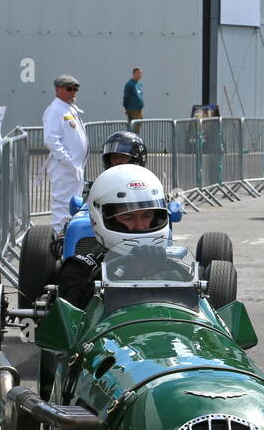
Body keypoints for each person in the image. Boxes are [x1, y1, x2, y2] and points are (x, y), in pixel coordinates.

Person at [55, 163, 171, 307]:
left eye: (147, 215)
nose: (141, 226)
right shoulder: (80, 269)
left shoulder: (173, 265)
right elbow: (73, 318)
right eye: (129, 218)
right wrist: (128, 272)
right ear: (99, 218)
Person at [42, 74, 88, 235]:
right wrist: (67, 161)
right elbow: (51, 139)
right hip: (64, 167)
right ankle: (58, 238)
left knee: (73, 204)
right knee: (62, 205)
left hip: (74, 167)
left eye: (75, 89)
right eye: (69, 89)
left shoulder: (68, 108)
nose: (73, 92)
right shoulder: (55, 110)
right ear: (58, 90)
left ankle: (69, 235)